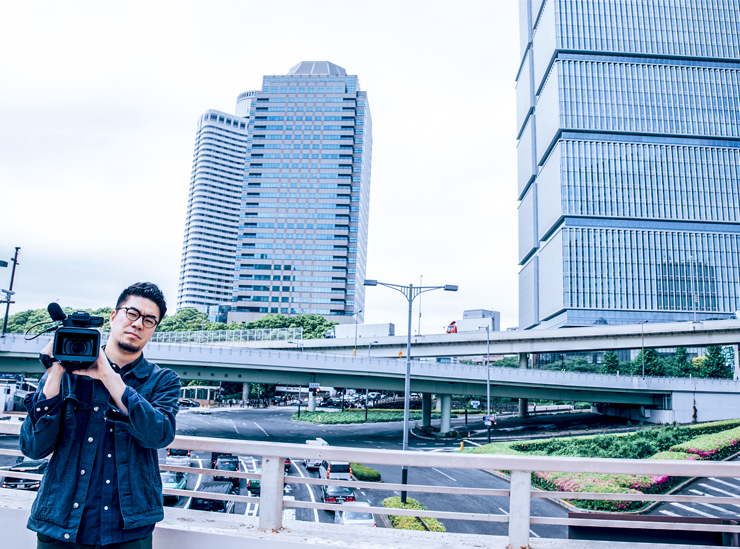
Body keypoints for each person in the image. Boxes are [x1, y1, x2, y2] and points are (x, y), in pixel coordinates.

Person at [20, 282, 181, 549]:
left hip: (128, 530)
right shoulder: (65, 374)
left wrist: (108, 375)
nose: (138, 324)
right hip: (60, 525)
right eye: (132, 313)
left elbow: (159, 435)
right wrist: (55, 374)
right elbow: (33, 448)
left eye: (149, 320)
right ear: (113, 316)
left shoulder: (162, 380)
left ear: (154, 328)